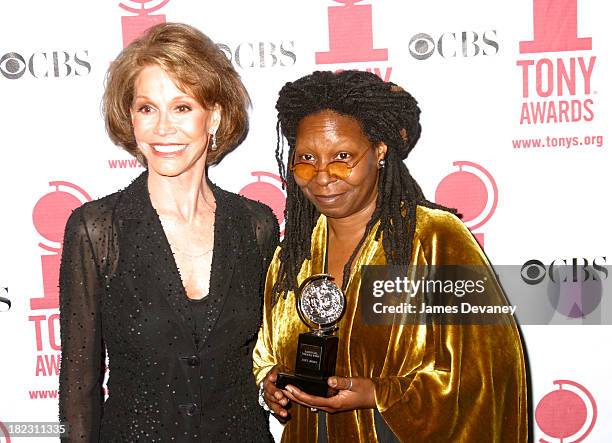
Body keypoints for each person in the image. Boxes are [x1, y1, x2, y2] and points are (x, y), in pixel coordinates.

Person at [253, 70, 527, 442]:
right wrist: (270, 383)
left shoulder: (432, 239)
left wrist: (377, 394)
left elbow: (488, 373)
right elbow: (267, 351)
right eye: (306, 158)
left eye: (342, 156)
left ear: (379, 151)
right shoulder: (293, 255)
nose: (321, 177)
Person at [58, 23, 278, 442]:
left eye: (182, 107)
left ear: (213, 116)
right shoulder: (97, 230)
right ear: (130, 118)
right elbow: (78, 387)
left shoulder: (256, 226)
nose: (162, 129)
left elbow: (270, 353)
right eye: (147, 108)